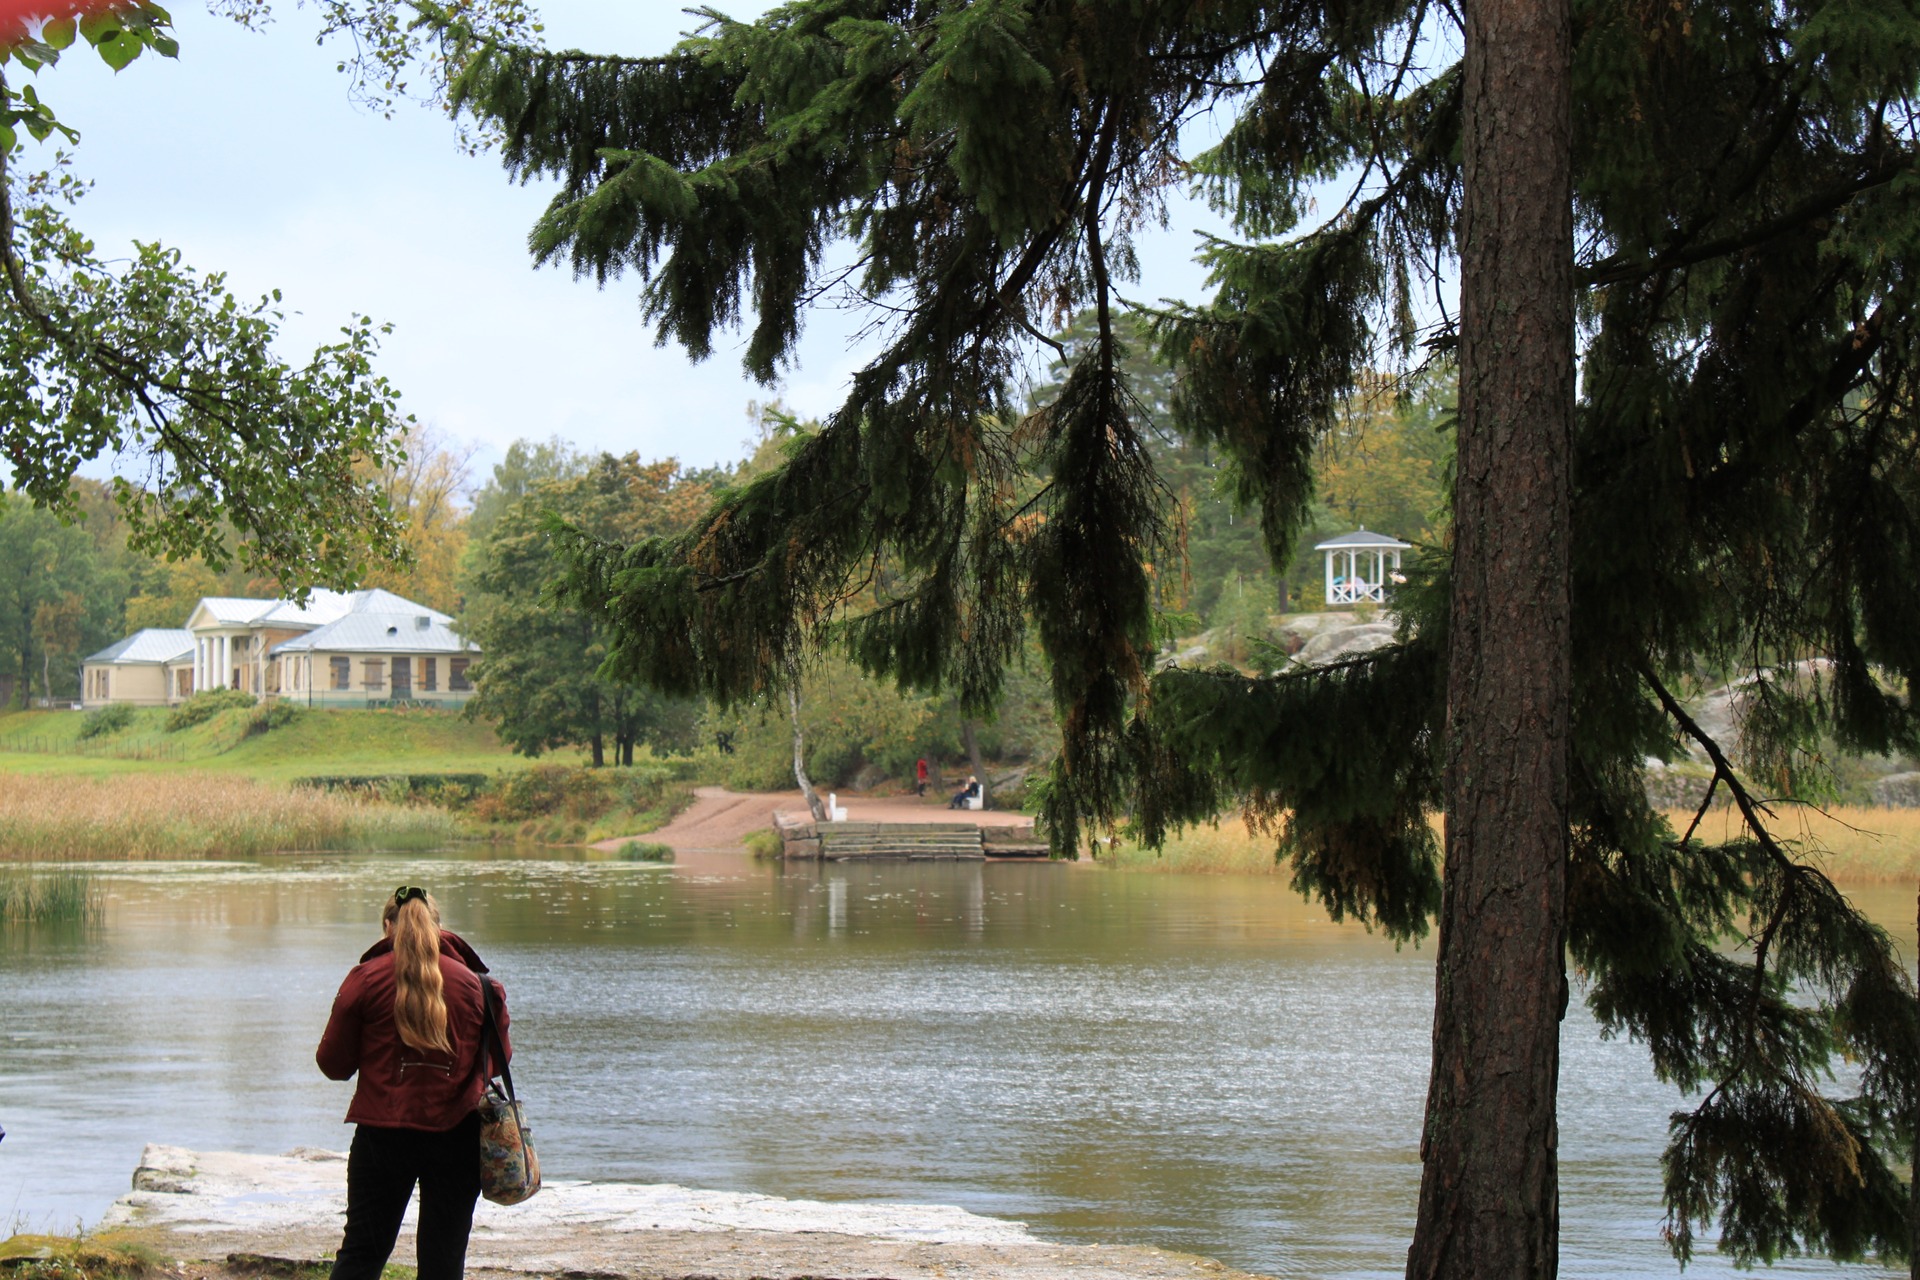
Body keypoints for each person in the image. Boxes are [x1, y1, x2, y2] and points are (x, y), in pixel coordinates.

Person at [317, 887, 509, 1280]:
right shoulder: (479, 987)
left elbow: (333, 1065)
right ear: (439, 928)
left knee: (360, 1256)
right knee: (443, 1265)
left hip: (381, 1139)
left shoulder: (365, 980)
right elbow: (494, 1063)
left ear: (388, 928)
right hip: (457, 1138)